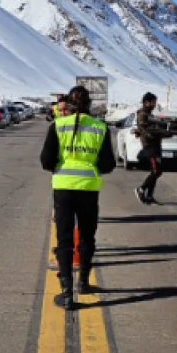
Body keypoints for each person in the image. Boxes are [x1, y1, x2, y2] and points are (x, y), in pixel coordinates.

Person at [39, 85, 116, 310]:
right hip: (89, 188)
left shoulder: (58, 126)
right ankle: (83, 281)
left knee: (64, 239)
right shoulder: (100, 127)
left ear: (69, 106)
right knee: (87, 236)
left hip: (63, 187)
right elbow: (108, 164)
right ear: (90, 103)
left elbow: (46, 161)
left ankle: (66, 294)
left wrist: (61, 165)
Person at [133, 92, 173, 205]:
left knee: (155, 171)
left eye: (155, 102)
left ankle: (149, 196)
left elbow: (156, 127)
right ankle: (141, 189)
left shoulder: (150, 114)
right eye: (153, 102)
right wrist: (163, 133)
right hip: (149, 146)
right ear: (147, 102)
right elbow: (147, 131)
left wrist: (166, 130)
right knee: (157, 171)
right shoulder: (143, 115)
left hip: (156, 145)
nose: (155, 104)